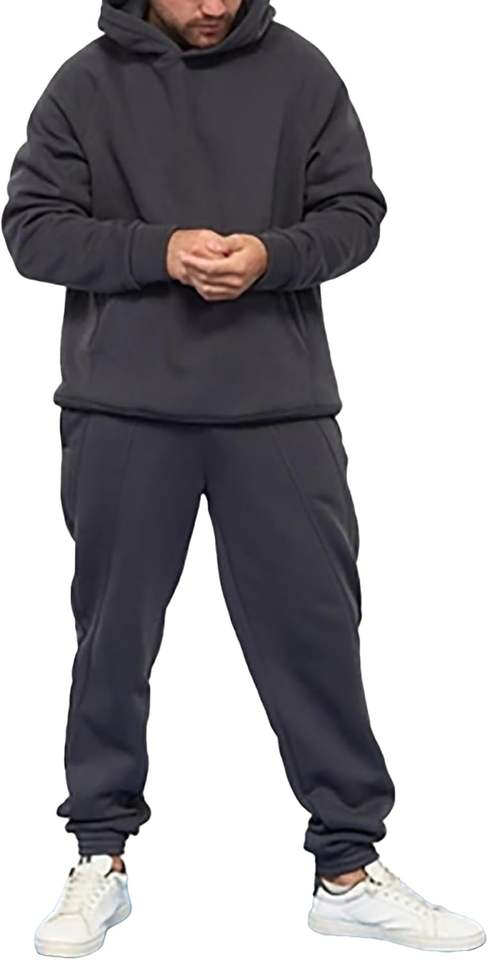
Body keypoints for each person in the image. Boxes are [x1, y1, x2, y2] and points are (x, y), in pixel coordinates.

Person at [2, 0, 485, 956]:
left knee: (316, 634)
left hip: (279, 409)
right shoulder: (84, 84)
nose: (215, 5)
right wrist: (155, 249)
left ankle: (347, 868)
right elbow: (31, 231)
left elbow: (356, 213)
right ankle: (99, 855)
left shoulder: (301, 72)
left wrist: (273, 256)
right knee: (112, 642)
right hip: (124, 409)